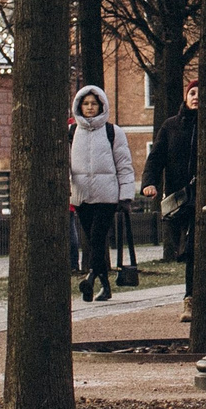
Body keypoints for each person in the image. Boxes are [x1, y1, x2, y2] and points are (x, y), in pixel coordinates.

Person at [69, 84, 136, 302]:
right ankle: (104, 286)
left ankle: (89, 278)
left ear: (101, 106)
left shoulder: (112, 132)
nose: (89, 107)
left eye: (94, 104)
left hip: (106, 197)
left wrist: (125, 195)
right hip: (81, 197)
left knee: (97, 238)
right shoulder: (71, 132)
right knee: (93, 242)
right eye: (86, 103)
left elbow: (124, 164)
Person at [141, 80, 199, 265]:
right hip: (178, 196)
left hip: (203, 195)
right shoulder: (170, 126)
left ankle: (191, 292)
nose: (196, 97)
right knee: (184, 247)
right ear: (186, 97)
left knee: (194, 245)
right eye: (192, 93)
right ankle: (190, 290)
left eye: (200, 93)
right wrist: (149, 182)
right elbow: (156, 158)